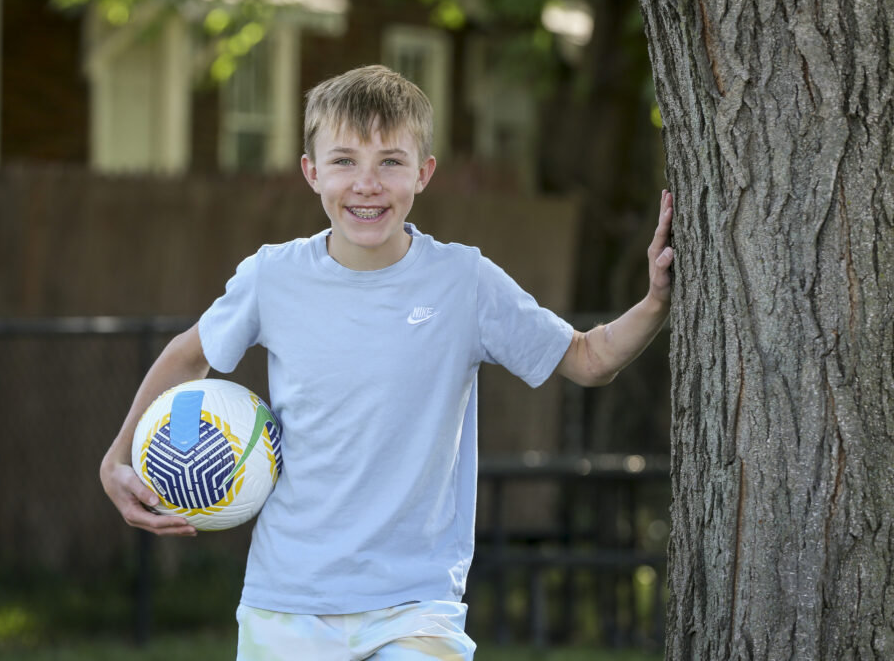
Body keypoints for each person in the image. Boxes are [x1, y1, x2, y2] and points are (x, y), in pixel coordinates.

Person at [100, 64, 674, 660]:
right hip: (287, 601)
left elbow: (589, 358)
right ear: (311, 172)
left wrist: (657, 298)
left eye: (391, 162)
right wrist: (116, 460)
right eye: (344, 160)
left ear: (423, 174)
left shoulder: (463, 282)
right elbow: (187, 356)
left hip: (415, 605)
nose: (366, 183)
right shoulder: (272, 277)